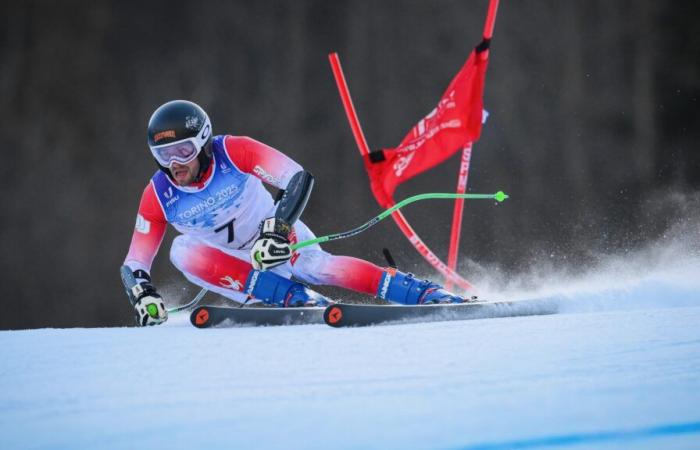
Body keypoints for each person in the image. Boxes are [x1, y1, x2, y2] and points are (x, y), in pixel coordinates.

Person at [122, 100, 468, 326]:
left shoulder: (233, 151)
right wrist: (144, 292)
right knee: (181, 250)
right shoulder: (159, 194)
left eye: (182, 150)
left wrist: (278, 229)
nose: (175, 164)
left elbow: (298, 178)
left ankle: (419, 293)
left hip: (270, 237)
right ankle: (292, 298)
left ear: (203, 140)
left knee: (318, 266)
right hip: (230, 265)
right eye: (163, 154)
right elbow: (134, 263)